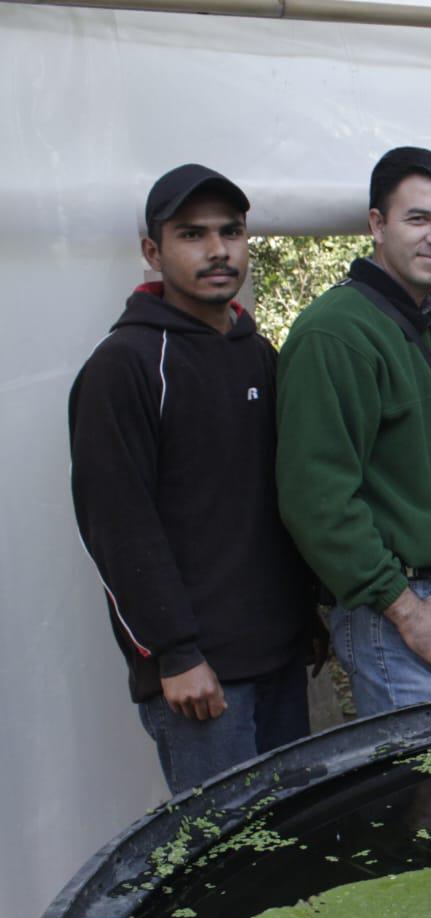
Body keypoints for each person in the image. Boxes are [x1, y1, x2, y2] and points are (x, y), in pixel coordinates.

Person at [69, 164, 314, 792]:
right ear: (153, 251)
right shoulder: (123, 366)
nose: (217, 250)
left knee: (291, 850)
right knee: (223, 868)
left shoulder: (258, 352)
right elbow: (116, 523)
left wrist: (307, 617)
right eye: (192, 234)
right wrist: (173, 654)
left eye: (231, 232)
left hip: (281, 656)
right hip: (202, 680)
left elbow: (277, 500)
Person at [276, 147, 431, 716]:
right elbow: (316, 498)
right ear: (377, 224)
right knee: (427, 795)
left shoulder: (424, 320)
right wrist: (404, 608)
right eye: (418, 219)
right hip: (402, 607)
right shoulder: (336, 333)